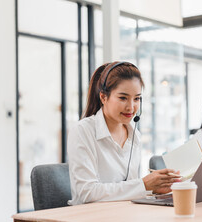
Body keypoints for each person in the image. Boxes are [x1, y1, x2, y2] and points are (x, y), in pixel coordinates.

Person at [68, 61, 180, 205]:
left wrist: (153, 189)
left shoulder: (134, 135)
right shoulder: (83, 131)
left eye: (137, 98)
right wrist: (143, 185)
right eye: (123, 98)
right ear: (103, 97)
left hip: (123, 215)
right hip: (89, 219)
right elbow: (86, 193)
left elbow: (129, 190)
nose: (131, 107)